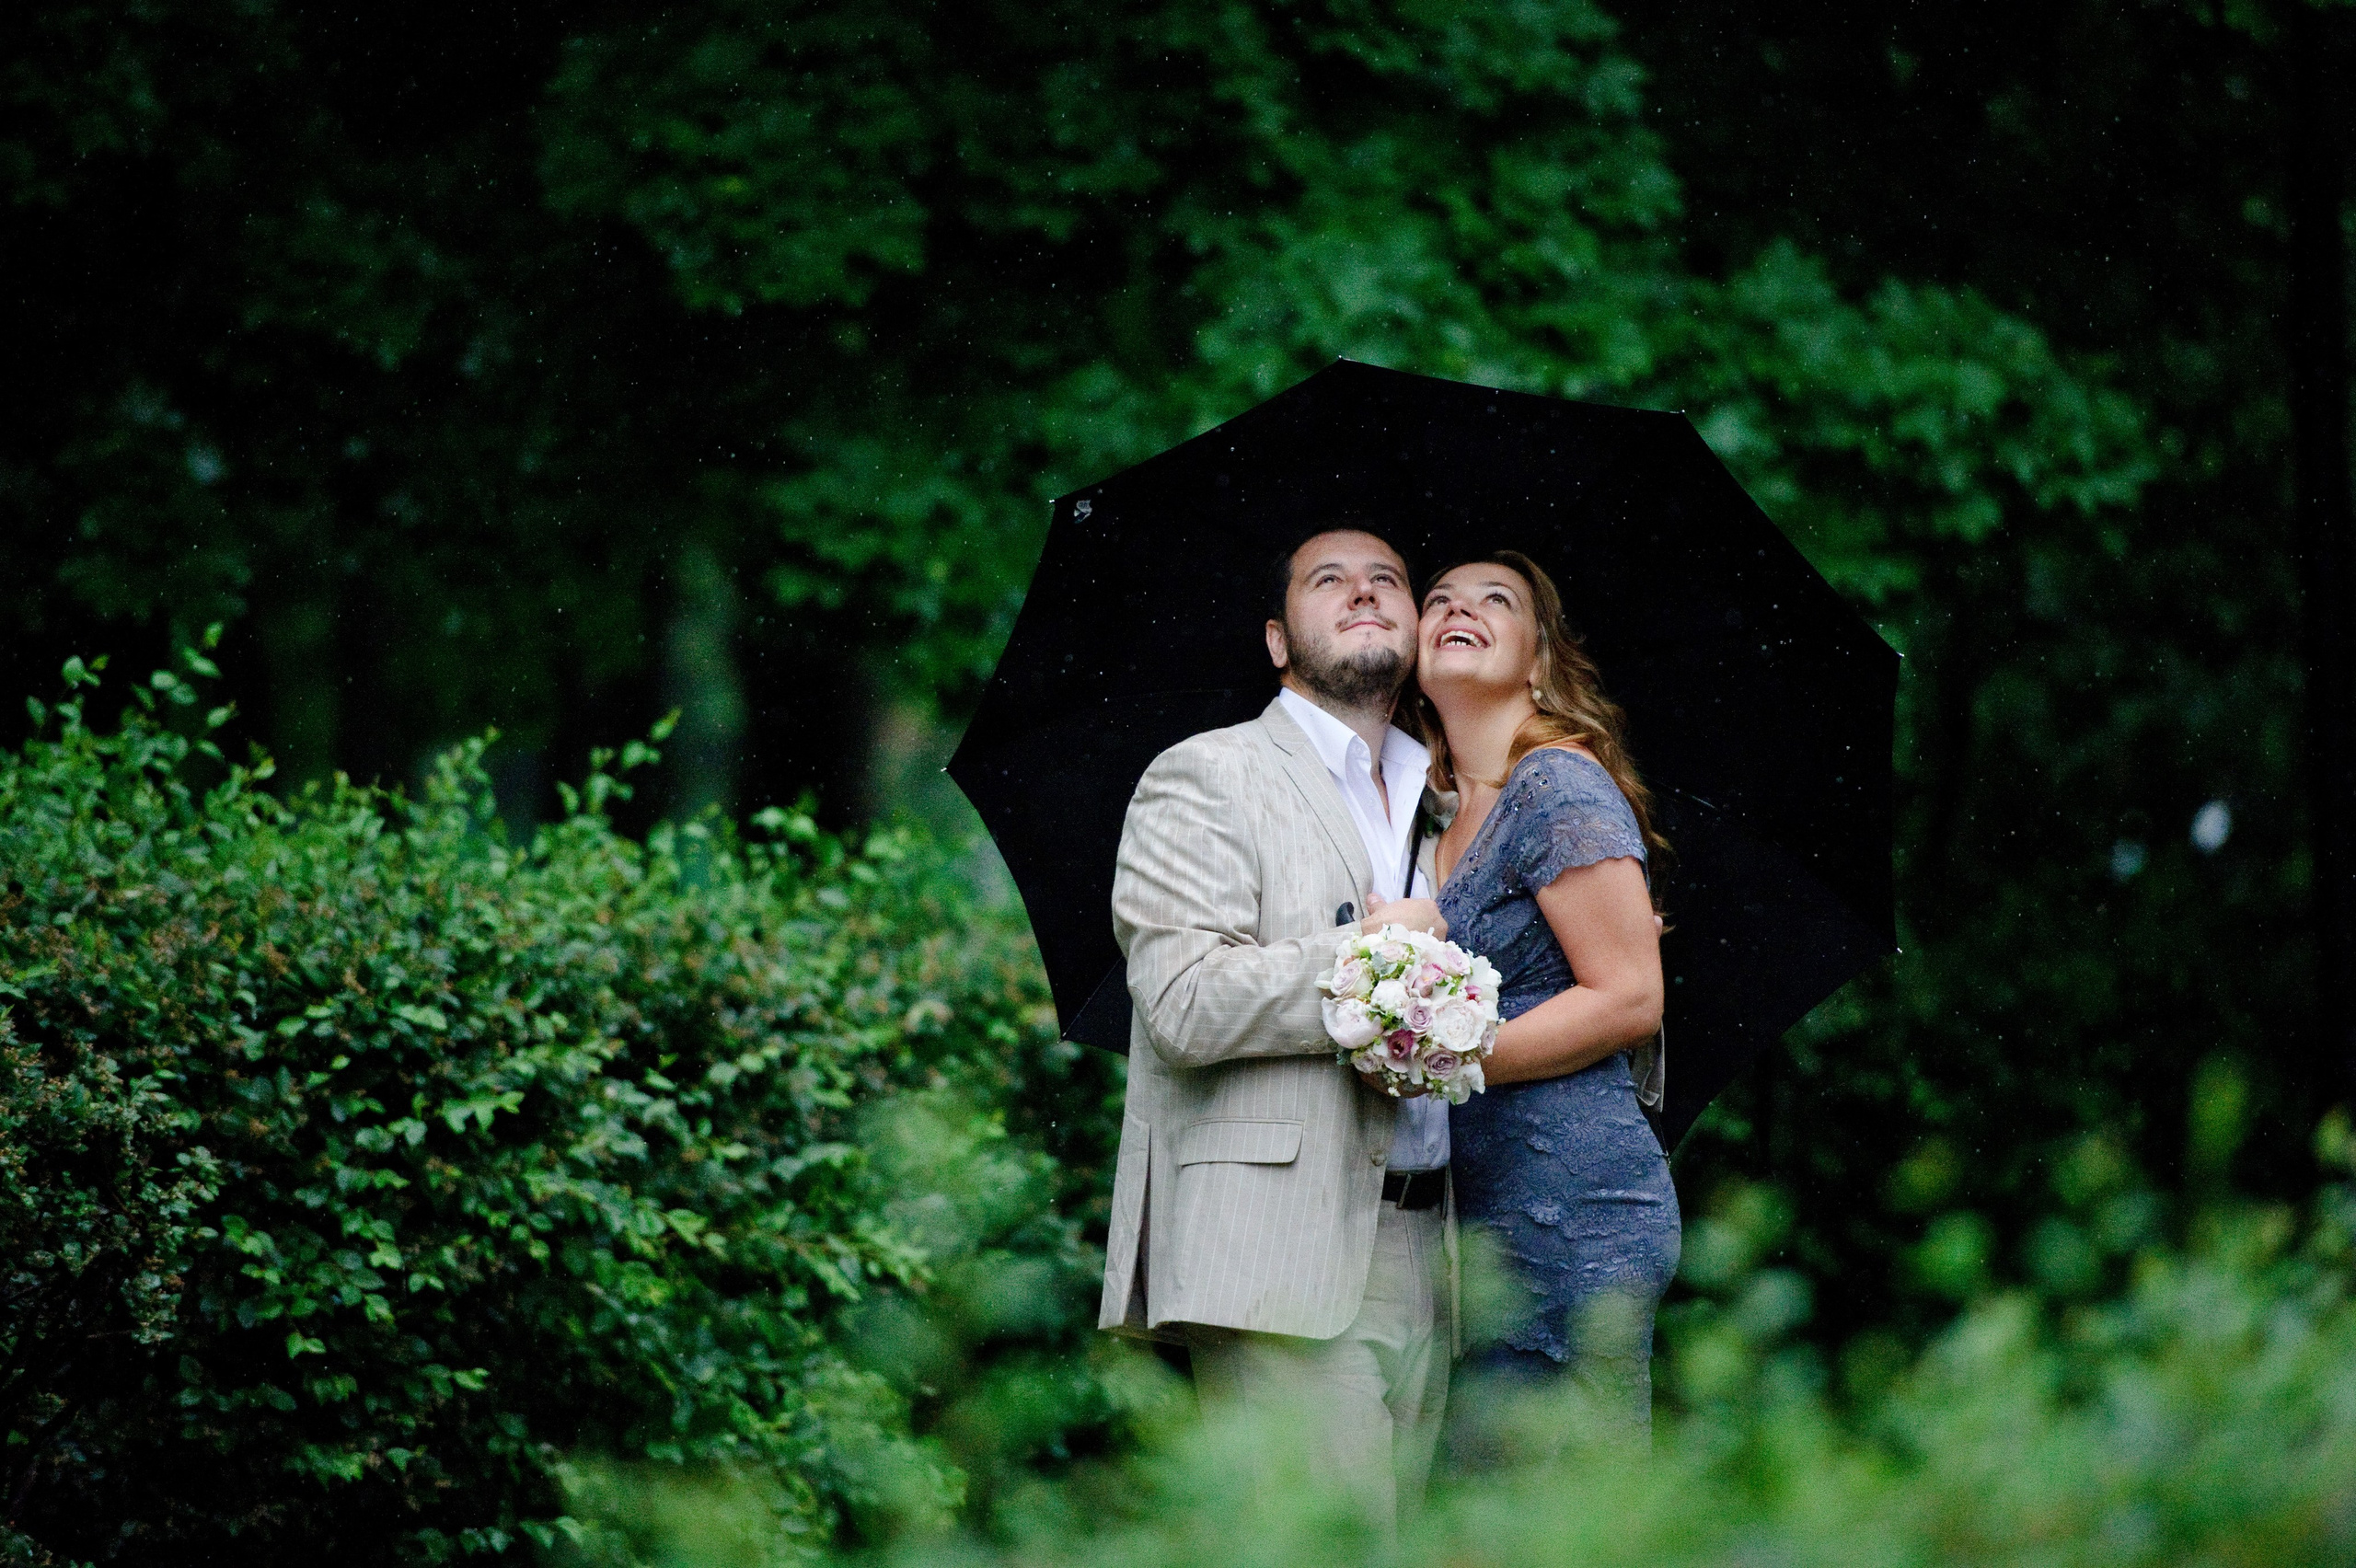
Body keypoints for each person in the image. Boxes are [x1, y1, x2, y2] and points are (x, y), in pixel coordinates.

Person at [1097, 523, 1458, 1529]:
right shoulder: (1205, 774)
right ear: (1273, 637)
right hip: (1279, 1250)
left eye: (1389, 580)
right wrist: (1376, 968)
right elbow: (1181, 1001)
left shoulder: (1445, 801)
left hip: (1438, 1247)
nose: (1364, 593)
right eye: (1328, 580)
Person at [1413, 548, 1679, 1440]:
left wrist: (1440, 1056)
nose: (1461, 607)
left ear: (1536, 661)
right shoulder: (1427, 817)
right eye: (1439, 599)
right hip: (1479, 1216)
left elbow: (1630, 996)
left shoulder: (1557, 786)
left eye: (1497, 600)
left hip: (1572, 1203)